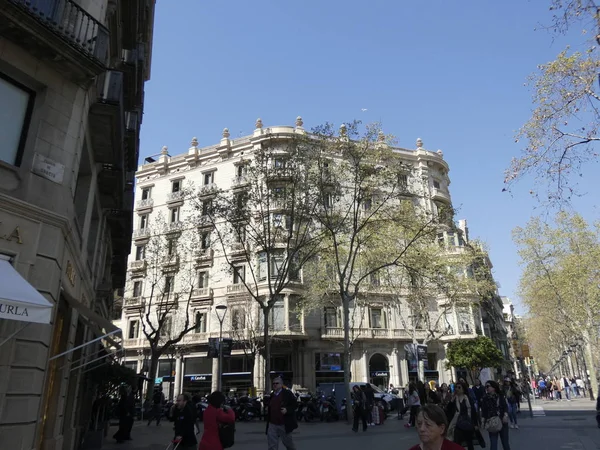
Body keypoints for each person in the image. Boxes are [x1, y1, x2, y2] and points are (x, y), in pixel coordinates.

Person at [266, 377, 298, 450]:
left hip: (284, 424)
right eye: (273, 383)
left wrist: (287, 410)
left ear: (281, 384)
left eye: (277, 383)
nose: (275, 385)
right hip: (272, 424)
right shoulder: (272, 395)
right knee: (272, 446)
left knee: (289, 445)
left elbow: (295, 405)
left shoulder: (287, 393)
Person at [446, 381, 478, 450]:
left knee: (469, 443)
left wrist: (475, 424)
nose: (457, 389)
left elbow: (473, 411)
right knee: (457, 442)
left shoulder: (467, 398)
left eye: (459, 387)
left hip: (467, 422)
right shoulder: (454, 399)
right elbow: (448, 410)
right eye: (456, 387)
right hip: (457, 423)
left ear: (463, 389)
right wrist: (451, 400)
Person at [481, 380, 511, 450]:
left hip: (502, 421)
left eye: (488, 386)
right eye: (486, 387)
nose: (487, 388)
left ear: (494, 387)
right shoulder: (485, 398)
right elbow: (484, 411)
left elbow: (505, 406)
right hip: (491, 423)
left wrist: (505, 415)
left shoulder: (500, 396)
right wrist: (483, 422)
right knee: (493, 444)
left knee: (505, 443)